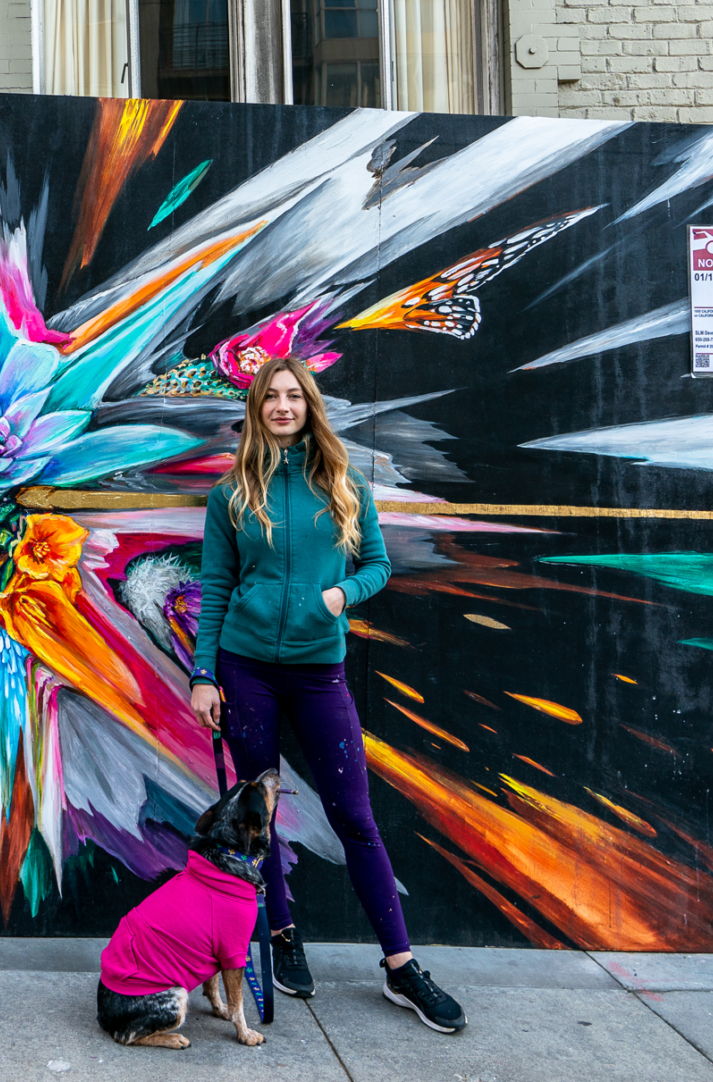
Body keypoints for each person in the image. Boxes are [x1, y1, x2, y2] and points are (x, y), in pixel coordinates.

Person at [187, 356, 467, 1034]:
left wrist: (341, 595)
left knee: (355, 816)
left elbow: (377, 564)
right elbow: (216, 588)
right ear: (257, 409)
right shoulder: (232, 495)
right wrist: (202, 675)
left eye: (294, 396)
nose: (283, 406)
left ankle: (401, 968)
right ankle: (281, 933)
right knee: (260, 815)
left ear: (310, 405)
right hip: (245, 669)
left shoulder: (341, 483)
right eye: (271, 397)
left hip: (320, 673)